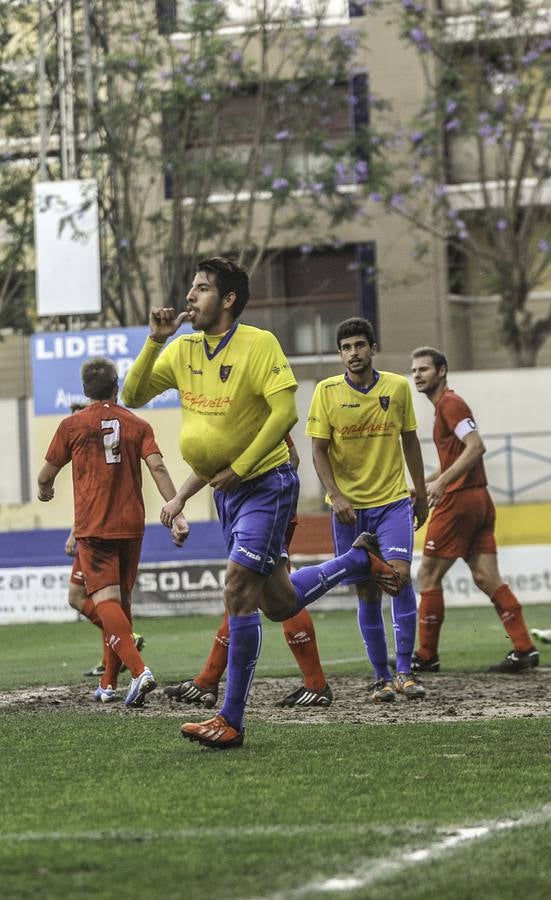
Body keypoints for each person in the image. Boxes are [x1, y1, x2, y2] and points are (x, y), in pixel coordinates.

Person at [122, 256, 400, 750]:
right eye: (192, 288)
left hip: (267, 484)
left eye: (201, 288)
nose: (189, 297)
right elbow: (133, 393)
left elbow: (284, 414)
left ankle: (231, 719)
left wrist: (241, 467)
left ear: (228, 299)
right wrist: (155, 340)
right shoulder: (182, 348)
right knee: (280, 603)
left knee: (237, 588)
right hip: (227, 493)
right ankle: (358, 560)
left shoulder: (259, 343)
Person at [37, 357, 185, 707]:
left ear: (85, 390)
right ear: (116, 387)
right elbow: (158, 467)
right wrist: (177, 511)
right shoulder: (138, 424)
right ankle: (108, 684)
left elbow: (45, 475)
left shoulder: (71, 425)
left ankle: (139, 671)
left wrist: (45, 490)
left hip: (94, 527)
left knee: (105, 604)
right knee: (121, 604)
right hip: (131, 525)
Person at [305, 317, 429, 704]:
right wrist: (335, 495)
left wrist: (421, 492)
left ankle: (405, 671)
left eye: (359, 345)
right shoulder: (325, 391)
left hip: (392, 502)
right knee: (367, 591)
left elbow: (410, 441)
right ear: (340, 353)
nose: (353, 353)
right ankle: (381, 677)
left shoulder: (397, 387)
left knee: (399, 578)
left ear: (373, 348)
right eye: (346, 347)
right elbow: (318, 450)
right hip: (349, 510)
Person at [164, 434, 333, 709]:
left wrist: (274, 504)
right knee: (244, 591)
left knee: (266, 593)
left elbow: (292, 457)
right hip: (249, 510)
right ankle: (208, 681)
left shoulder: (257, 415)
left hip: (262, 510)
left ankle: (315, 684)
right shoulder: (231, 417)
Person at [410, 347, 538, 673]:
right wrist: (423, 486)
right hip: (479, 499)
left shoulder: (449, 403)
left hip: (459, 501)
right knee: (486, 577)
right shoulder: (446, 406)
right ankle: (524, 648)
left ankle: (426, 656)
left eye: (424, 369)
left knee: (428, 575)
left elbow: (476, 446)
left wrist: (442, 484)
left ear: (442, 371)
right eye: (414, 370)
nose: (417, 375)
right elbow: (456, 459)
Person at [63, 402, 146, 679]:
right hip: (99, 528)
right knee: (102, 599)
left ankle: (125, 645)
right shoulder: (95, 444)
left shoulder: (91, 444)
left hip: (96, 534)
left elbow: (97, 495)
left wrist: (75, 532)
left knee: (90, 598)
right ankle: (115, 660)